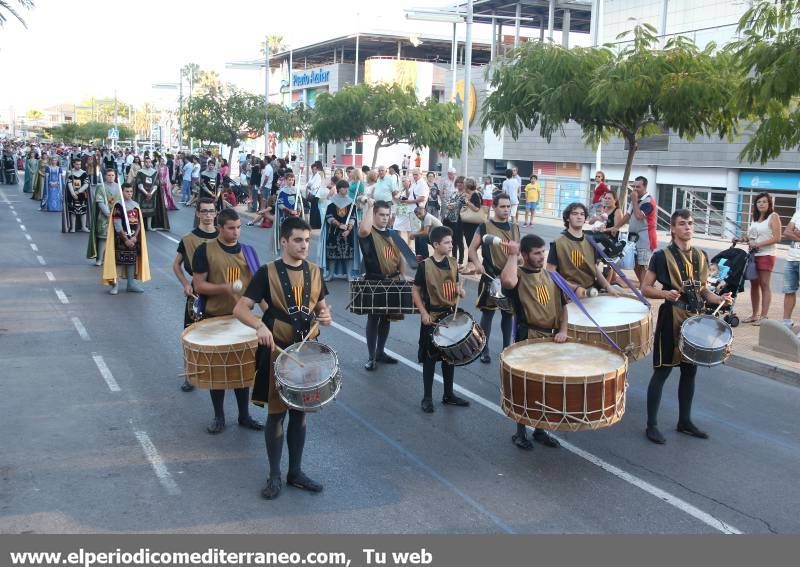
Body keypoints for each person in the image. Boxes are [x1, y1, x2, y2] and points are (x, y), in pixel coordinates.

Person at [233, 217, 332, 500]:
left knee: (301, 414)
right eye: (298, 240)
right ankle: (274, 474)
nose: (304, 245)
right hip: (277, 352)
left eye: (307, 240)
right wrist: (259, 325)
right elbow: (241, 308)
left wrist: (326, 317)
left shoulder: (315, 272)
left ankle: (295, 473)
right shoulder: (267, 272)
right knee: (277, 414)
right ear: (284, 241)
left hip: (307, 353)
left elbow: (323, 310)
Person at [641, 209, 731, 444]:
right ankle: (651, 425)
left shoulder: (701, 255)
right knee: (662, 370)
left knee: (690, 372)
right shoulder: (661, 256)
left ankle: (685, 421)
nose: (687, 227)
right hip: (671, 316)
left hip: (696, 318)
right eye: (682, 224)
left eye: (690, 223)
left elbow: (703, 290)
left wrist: (720, 299)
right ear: (672, 228)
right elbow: (645, 288)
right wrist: (664, 293)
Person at [191, 208, 263, 434]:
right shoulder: (205, 250)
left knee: (243, 369)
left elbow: (260, 289)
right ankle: (219, 416)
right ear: (220, 228)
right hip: (215, 318)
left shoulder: (249, 253)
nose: (236, 232)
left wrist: (266, 316)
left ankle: (244, 415)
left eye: (239, 227)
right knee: (218, 371)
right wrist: (226, 287)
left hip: (243, 320)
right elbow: (199, 285)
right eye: (231, 228)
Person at [500, 234, 567, 449]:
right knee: (525, 387)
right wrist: (512, 254)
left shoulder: (551, 276)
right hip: (527, 337)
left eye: (543, 252)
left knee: (546, 387)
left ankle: (540, 430)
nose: (541, 257)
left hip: (551, 338)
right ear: (525, 254)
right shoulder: (518, 276)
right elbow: (507, 281)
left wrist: (563, 330)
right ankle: (521, 433)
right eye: (537, 253)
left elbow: (563, 306)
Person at [411, 225, 470, 413]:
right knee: (430, 359)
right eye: (447, 242)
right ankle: (427, 397)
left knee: (449, 358)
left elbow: (455, 284)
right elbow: (415, 290)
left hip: (451, 316)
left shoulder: (453, 262)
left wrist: (460, 290)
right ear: (436, 244)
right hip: (433, 316)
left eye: (451, 242)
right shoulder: (425, 266)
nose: (451, 245)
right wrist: (423, 312)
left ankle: (448, 394)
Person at [172, 198, 220, 392]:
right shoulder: (188, 239)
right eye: (205, 211)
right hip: (198, 293)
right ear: (198, 214)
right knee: (192, 334)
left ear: (216, 213)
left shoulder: (223, 236)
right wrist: (185, 284)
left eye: (211, 211)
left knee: (220, 333)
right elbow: (176, 264)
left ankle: (220, 372)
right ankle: (190, 376)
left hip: (219, 292)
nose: (208, 215)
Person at [468, 193, 519, 364]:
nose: (506, 210)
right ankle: (484, 348)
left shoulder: (514, 228)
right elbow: (472, 249)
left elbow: (518, 254)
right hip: (490, 276)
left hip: (509, 279)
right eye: (503, 206)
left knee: (508, 315)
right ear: (495, 208)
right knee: (488, 315)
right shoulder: (484, 226)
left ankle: (507, 350)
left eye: (508, 206)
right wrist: (477, 263)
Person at [358, 199, 407, 370]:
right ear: (374, 215)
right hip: (375, 281)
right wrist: (370, 206)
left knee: (387, 319)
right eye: (381, 215)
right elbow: (363, 228)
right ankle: (371, 357)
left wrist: (403, 275)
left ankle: (380, 352)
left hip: (393, 281)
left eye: (387, 215)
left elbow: (399, 257)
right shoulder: (368, 233)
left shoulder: (392, 234)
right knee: (374, 319)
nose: (385, 218)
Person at [548, 202, 618, 298]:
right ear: (568, 218)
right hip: (568, 294)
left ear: (585, 219)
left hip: (590, 292)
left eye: (582, 214)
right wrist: (574, 288)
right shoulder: (558, 243)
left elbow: (594, 268)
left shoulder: (590, 241)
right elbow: (551, 271)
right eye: (575, 214)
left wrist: (608, 286)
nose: (579, 217)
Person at [740, 192, 782, 325]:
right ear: (755, 204)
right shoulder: (754, 219)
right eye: (759, 202)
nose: (761, 204)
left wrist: (758, 244)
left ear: (769, 204)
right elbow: (750, 236)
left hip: (767, 255)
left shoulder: (773, 217)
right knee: (754, 285)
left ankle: (764, 317)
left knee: (764, 284)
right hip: (753, 255)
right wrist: (742, 238)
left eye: (764, 202)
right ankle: (754, 315)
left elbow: (777, 238)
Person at [101, 183, 150, 295]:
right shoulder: (118, 206)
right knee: (118, 261)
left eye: (131, 191)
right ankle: (115, 284)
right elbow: (117, 224)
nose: (129, 193)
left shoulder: (136, 205)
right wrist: (125, 239)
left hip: (133, 238)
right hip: (121, 238)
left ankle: (131, 284)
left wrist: (134, 237)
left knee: (131, 260)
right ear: (122, 192)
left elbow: (138, 224)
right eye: (127, 191)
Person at [613, 176, 657, 285]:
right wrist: (616, 227)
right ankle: (644, 287)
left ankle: (645, 288)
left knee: (643, 265)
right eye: (634, 186)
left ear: (645, 187)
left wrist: (634, 200)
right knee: (635, 264)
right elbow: (628, 215)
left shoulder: (649, 202)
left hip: (646, 238)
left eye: (638, 187)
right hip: (634, 237)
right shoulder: (635, 200)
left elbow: (638, 216)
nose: (635, 189)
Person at [86, 168, 121, 266]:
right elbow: (100, 202)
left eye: (113, 175)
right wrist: (108, 213)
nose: (111, 177)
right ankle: (100, 259)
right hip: (104, 216)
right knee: (103, 238)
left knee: (116, 238)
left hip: (116, 215)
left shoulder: (118, 187)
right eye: (109, 175)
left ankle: (111, 258)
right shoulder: (101, 187)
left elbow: (120, 202)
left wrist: (115, 214)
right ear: (105, 176)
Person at [323, 179, 355, 280]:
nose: (346, 189)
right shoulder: (332, 203)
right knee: (332, 254)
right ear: (338, 189)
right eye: (344, 188)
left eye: (347, 188)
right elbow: (329, 217)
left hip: (347, 233)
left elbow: (353, 217)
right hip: (334, 231)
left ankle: (349, 275)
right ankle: (331, 274)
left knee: (349, 254)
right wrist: (339, 225)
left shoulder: (351, 203)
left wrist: (348, 230)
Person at [136, 156, 170, 231]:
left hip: (152, 194)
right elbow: (139, 184)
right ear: (144, 163)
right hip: (142, 194)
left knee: (151, 210)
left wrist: (151, 193)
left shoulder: (155, 172)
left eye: (149, 162)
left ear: (151, 163)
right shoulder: (140, 172)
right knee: (141, 210)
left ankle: (149, 226)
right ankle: (140, 227)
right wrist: (146, 193)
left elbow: (156, 184)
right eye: (146, 162)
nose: (148, 163)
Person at [460, 177, 484, 274]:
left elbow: (476, 208)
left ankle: (472, 266)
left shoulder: (476, 194)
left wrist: (467, 202)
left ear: (468, 185)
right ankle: (470, 265)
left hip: (472, 225)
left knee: (471, 245)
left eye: (464, 184)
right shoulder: (471, 194)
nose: (463, 185)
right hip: (468, 224)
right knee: (470, 244)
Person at [441, 175, 465, 266]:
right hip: (450, 219)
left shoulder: (464, 194)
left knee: (460, 242)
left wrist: (452, 205)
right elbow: (448, 201)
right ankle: (454, 260)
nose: (459, 184)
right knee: (453, 241)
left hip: (459, 220)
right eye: (458, 182)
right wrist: (448, 205)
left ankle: (461, 262)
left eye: (461, 183)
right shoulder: (454, 192)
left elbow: (459, 203)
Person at [782, 209, 800, 328]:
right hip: (791, 259)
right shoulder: (798, 213)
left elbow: (790, 233)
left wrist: (796, 234)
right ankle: (786, 322)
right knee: (789, 291)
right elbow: (787, 232)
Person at [64, 156, 90, 233]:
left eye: (80, 164)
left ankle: (84, 227)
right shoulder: (70, 173)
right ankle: (73, 227)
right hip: (72, 195)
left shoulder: (84, 173)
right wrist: (73, 193)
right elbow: (69, 183)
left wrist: (78, 192)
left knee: (83, 211)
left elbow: (86, 184)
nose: (78, 166)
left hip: (82, 194)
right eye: (77, 164)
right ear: (73, 164)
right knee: (73, 211)